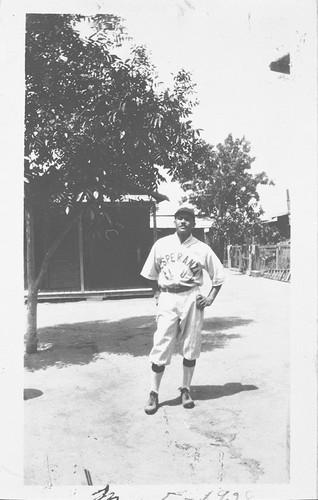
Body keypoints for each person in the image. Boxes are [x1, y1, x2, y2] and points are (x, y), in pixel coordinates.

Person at [140, 206, 225, 415]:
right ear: (174, 222)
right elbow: (150, 273)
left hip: (191, 296)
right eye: (180, 218)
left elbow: (219, 275)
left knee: (191, 343)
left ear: (193, 224)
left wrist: (211, 297)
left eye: (188, 219)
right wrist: (157, 294)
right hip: (168, 296)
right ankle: (154, 392)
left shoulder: (201, 248)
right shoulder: (162, 244)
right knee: (161, 343)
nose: (183, 222)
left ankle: (185, 389)